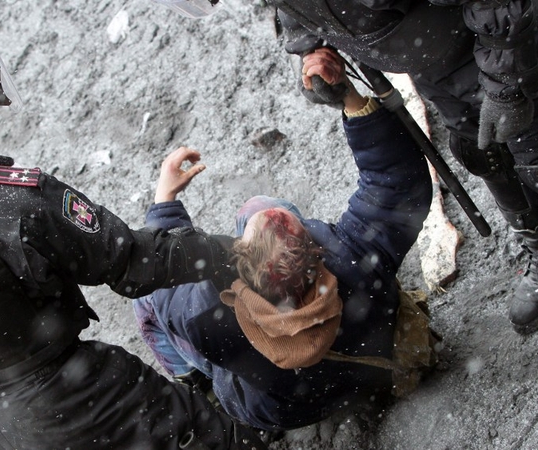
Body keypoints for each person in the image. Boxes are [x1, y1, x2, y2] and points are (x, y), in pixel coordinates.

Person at [0, 39, 268, 450]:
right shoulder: (13, 203)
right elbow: (133, 265)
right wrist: (230, 253)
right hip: (80, 401)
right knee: (206, 435)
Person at [151, 0, 538, 337]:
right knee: (484, 154)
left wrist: (508, 79)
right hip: (436, 59)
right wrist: (311, 45)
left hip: (498, 39)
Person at [133, 50, 437, 431]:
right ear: (315, 251)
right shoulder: (354, 257)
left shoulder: (202, 315)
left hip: (289, 408)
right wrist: (349, 97)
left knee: (145, 302)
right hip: (373, 352)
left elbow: (153, 271)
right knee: (261, 205)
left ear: (239, 262)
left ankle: (197, 385)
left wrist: (165, 202)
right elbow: (396, 182)